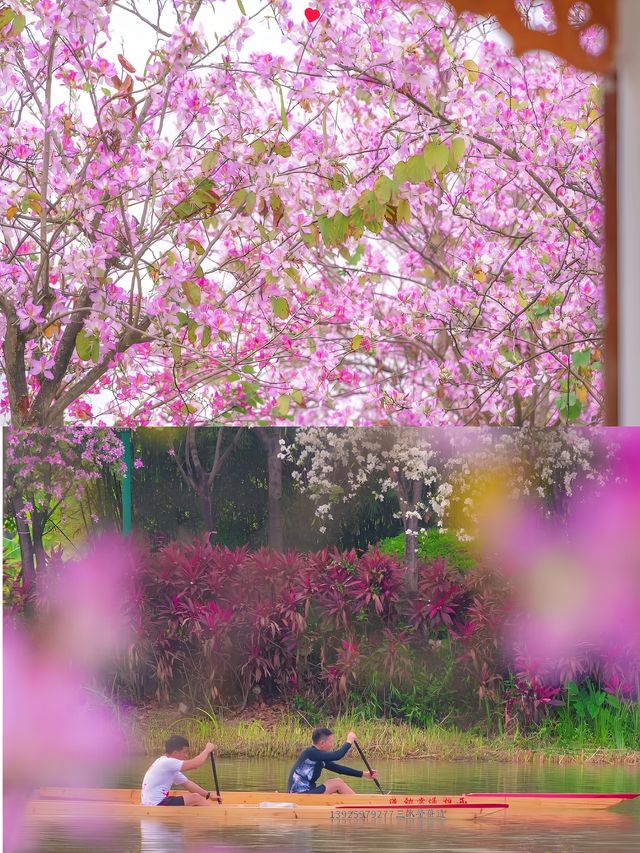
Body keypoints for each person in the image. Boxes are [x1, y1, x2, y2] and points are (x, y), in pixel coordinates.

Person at [287, 727, 377, 794]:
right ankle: (360, 805)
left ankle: (358, 803)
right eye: (331, 742)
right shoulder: (311, 753)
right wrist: (349, 742)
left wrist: (364, 774)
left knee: (337, 782)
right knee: (337, 783)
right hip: (299, 795)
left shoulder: (319, 757)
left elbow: (340, 769)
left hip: (307, 793)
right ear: (322, 743)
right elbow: (337, 755)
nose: (332, 745)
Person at [141, 736, 219, 806]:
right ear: (175, 753)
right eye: (184, 752)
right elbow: (196, 764)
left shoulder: (167, 765)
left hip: (154, 803)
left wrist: (209, 795)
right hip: (156, 804)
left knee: (194, 798)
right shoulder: (166, 762)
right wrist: (207, 750)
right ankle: (216, 816)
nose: (186, 755)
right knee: (195, 798)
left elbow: (187, 784)